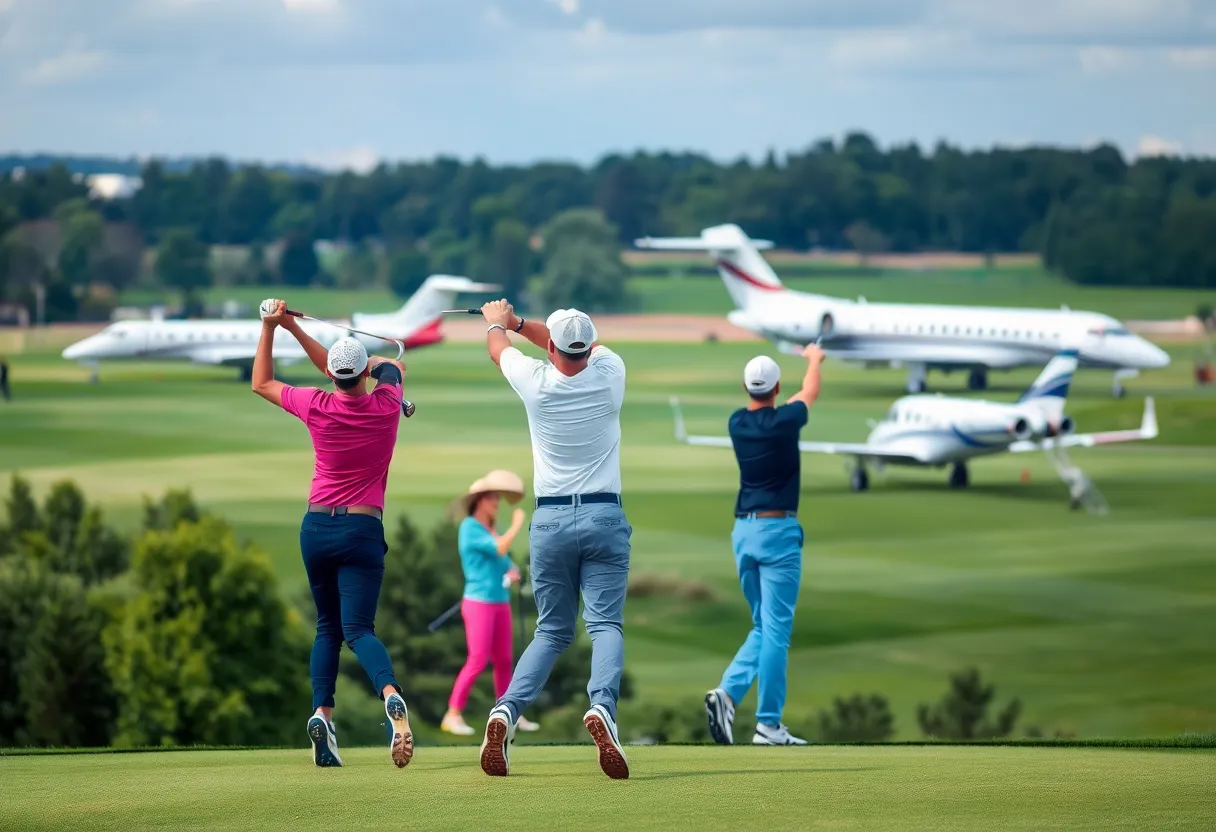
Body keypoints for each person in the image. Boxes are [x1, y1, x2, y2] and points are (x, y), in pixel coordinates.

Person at [251, 298, 414, 770]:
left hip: (316, 527)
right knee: (359, 629)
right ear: (364, 375)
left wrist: (274, 327)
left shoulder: (317, 404)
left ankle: (322, 713)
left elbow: (261, 381)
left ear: (332, 379)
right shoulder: (386, 402)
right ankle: (389, 694)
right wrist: (346, 352)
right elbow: (392, 363)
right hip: (363, 528)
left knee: (327, 628)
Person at [475, 300, 631, 780]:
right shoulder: (609, 371)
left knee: (552, 631)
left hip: (550, 522)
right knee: (604, 626)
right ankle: (602, 708)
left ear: (553, 348)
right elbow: (565, 343)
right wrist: (521, 323)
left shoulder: (535, 382)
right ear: (587, 346)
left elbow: (497, 348)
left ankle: (505, 711)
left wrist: (499, 321)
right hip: (605, 514)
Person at [704, 344, 824, 746]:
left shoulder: (737, 422)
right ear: (776, 388)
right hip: (778, 534)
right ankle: (768, 724)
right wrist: (814, 360)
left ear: (745, 387)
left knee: (763, 625)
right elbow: (808, 394)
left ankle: (727, 694)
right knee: (776, 632)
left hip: (743, 534)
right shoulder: (787, 420)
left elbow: (791, 402)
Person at [441, 470, 541, 736]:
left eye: (497, 497)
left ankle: (509, 712)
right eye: (491, 497)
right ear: (479, 501)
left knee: (504, 659)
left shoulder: (489, 529)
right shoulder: (470, 527)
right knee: (478, 659)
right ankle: (453, 713)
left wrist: (511, 570)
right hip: (479, 602)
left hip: (499, 601)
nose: (496, 502)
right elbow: (499, 548)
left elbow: (501, 558)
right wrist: (518, 523)